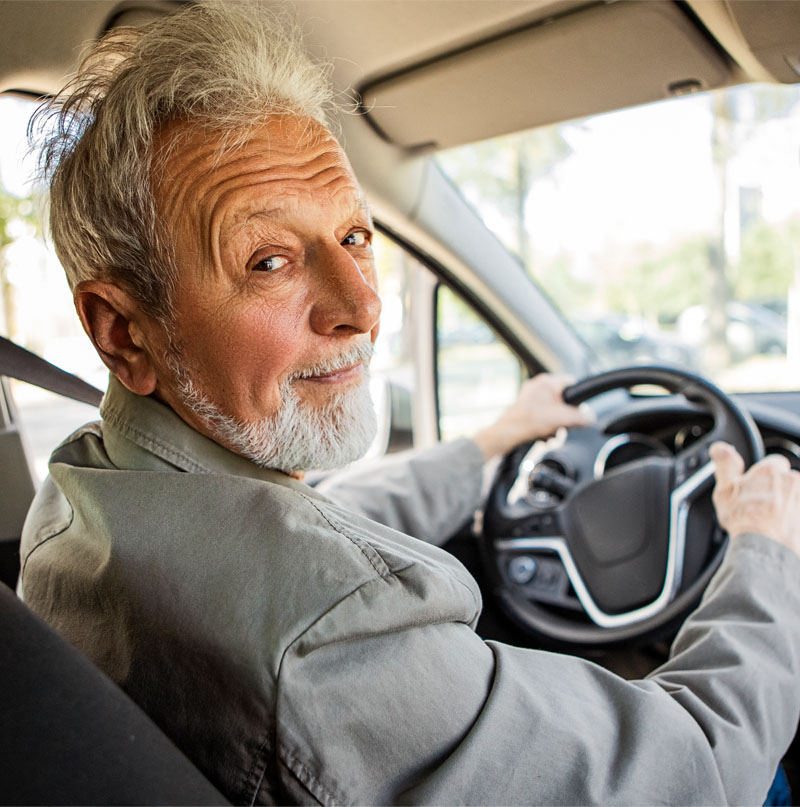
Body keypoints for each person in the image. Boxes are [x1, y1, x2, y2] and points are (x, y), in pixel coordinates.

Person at [18, 3, 800, 804]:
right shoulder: (328, 632)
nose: (361, 305)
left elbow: (319, 520)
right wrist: (766, 549)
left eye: (354, 237)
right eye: (269, 261)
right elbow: (700, 772)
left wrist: (489, 443)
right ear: (124, 332)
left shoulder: (87, 497)